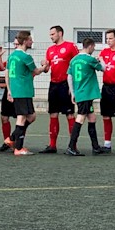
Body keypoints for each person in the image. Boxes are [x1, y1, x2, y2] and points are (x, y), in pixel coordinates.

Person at [6, 30, 47, 156]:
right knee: (22, 117)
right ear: (24, 41)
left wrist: (9, 90)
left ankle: (12, 138)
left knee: (31, 116)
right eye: (30, 39)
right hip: (22, 90)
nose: (32, 41)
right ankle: (18, 148)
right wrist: (45, 66)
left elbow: (7, 74)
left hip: (19, 90)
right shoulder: (25, 56)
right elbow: (35, 71)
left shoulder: (12, 55)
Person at [40, 25, 79, 154]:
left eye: (53, 34)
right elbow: (46, 69)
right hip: (53, 84)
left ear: (60, 33)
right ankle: (52, 145)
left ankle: (72, 145)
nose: (51, 37)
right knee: (53, 114)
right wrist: (44, 65)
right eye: (50, 34)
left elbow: (77, 64)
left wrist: (73, 86)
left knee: (69, 114)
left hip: (66, 84)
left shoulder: (70, 46)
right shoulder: (50, 50)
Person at [65, 38, 107, 156]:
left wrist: (72, 92)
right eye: (93, 47)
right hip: (85, 94)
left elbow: (69, 76)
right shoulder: (89, 59)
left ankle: (96, 147)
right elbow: (103, 68)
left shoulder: (74, 60)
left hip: (80, 93)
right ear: (90, 46)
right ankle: (71, 146)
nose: (94, 49)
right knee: (80, 118)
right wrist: (102, 60)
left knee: (92, 118)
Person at [0, 42, 17, 152]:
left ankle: (16, 142)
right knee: (4, 117)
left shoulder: (26, 57)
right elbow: (2, 68)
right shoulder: (11, 58)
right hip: (9, 91)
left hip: (20, 92)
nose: (15, 44)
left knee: (22, 118)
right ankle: (6, 141)